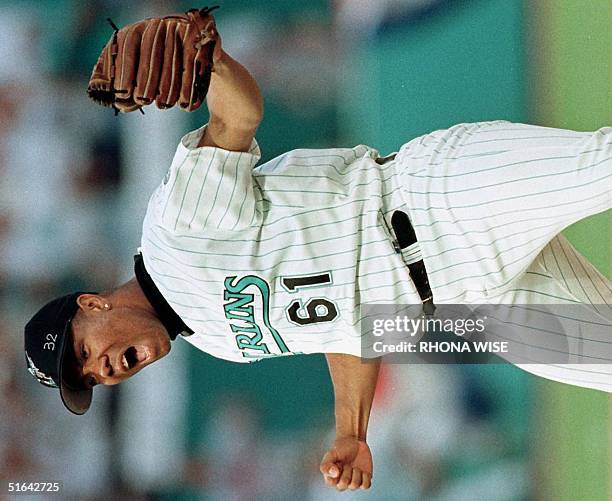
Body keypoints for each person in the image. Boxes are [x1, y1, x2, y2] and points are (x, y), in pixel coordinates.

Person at [24, 19, 611, 493]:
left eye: (83, 351)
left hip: (436, 202)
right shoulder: (212, 339)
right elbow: (347, 323)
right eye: (90, 380)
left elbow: (237, 117)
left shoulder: (174, 232)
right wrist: (351, 431)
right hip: (466, 310)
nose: (102, 370)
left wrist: (214, 63)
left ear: (93, 303)